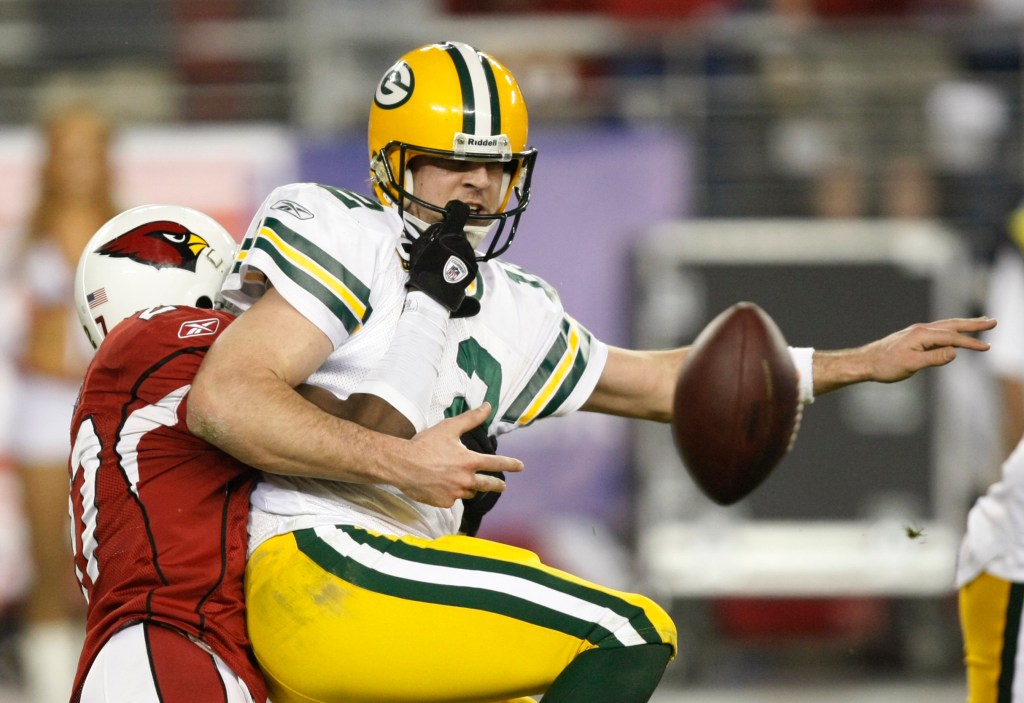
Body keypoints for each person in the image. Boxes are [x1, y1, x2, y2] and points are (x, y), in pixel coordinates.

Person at [187, 41, 996, 702]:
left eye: (498, 166)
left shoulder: (515, 304)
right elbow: (224, 401)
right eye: (450, 161)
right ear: (391, 165)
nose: (480, 183)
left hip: (403, 581)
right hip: (320, 560)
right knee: (629, 632)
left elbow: (660, 382)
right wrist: (399, 461)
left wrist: (854, 363)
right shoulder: (347, 234)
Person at [70, 204, 521, 703]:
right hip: (169, 641)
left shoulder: (144, 383)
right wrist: (428, 303)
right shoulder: (161, 337)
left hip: (176, 644)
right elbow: (370, 428)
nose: (267, 314)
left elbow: (323, 458)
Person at [13, 101, 118, 703]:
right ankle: (53, 691)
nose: (77, 162)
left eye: (88, 148)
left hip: (106, 416)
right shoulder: (25, 235)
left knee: (113, 562)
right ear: (50, 159)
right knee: (49, 565)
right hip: (39, 415)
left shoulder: (127, 229)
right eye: (66, 149)